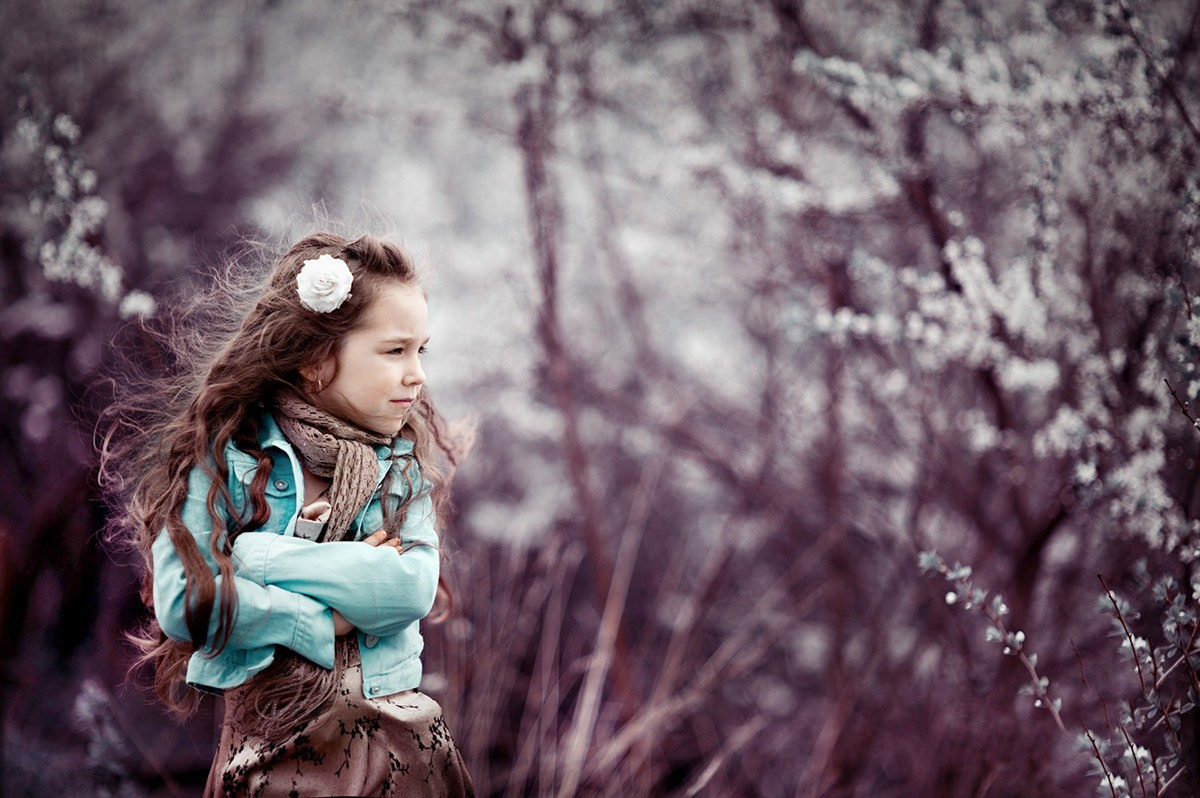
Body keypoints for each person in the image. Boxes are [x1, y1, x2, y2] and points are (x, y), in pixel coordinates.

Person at [101, 232, 474, 796]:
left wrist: (259, 556)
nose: (417, 373)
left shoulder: (401, 470)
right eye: (395, 351)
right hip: (271, 756)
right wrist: (318, 621)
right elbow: (186, 601)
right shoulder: (227, 460)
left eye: (421, 351)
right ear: (315, 359)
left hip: (399, 751)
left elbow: (406, 590)